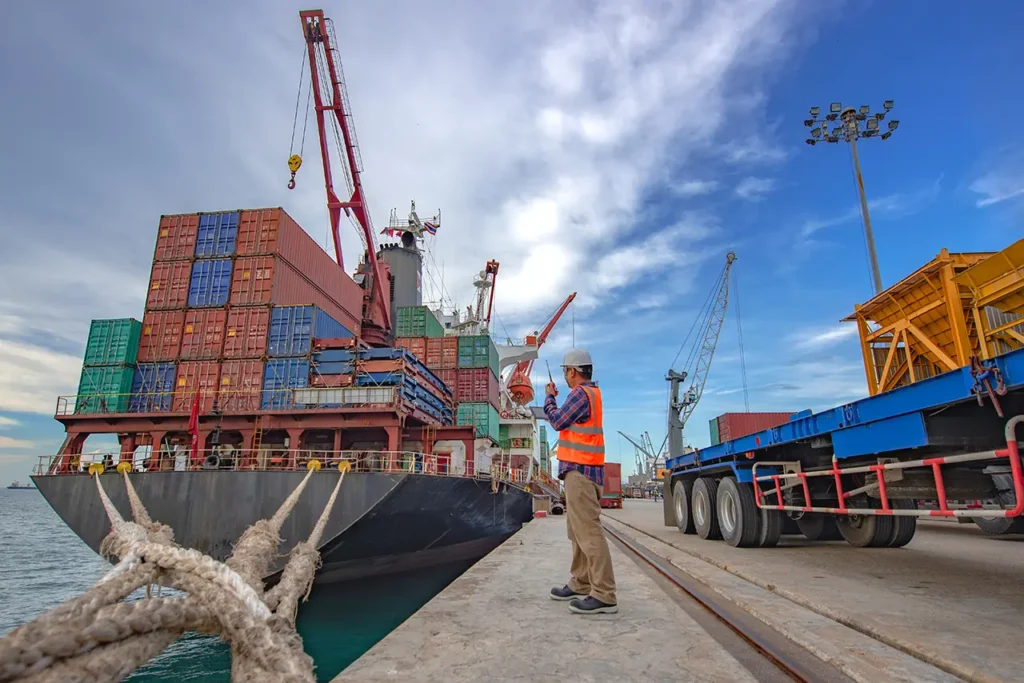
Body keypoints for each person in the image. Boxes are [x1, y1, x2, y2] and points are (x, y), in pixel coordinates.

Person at [543, 348, 617, 615]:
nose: (564, 377)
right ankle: (581, 583)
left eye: (565, 372)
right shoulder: (591, 395)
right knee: (576, 532)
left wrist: (549, 399)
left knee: (589, 533)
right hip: (583, 471)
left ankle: (605, 594)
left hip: (581, 473)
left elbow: (557, 420)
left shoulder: (580, 394)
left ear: (572, 372)